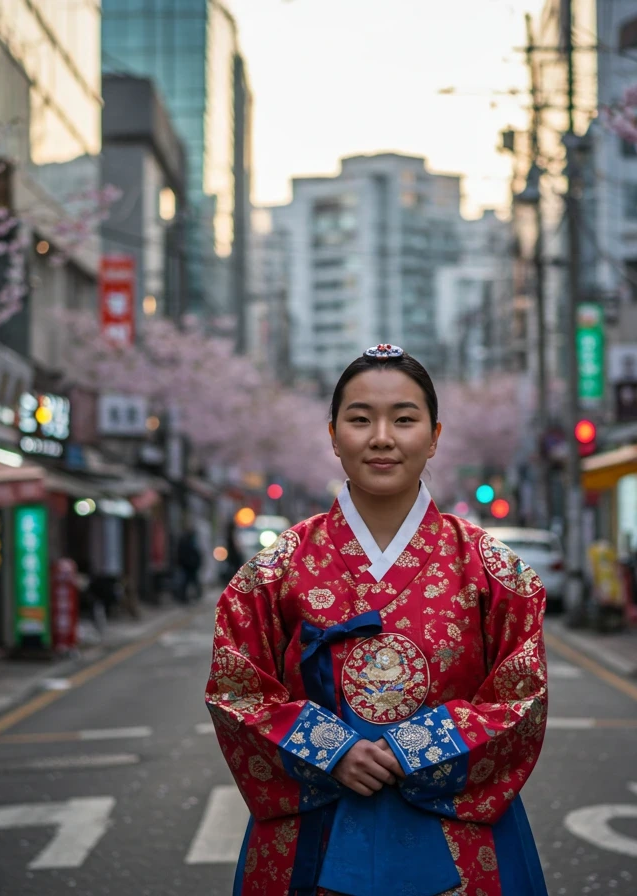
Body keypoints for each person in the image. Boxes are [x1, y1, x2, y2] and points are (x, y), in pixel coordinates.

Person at [205, 344, 550, 896]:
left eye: (405, 419)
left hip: (459, 838)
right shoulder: (273, 571)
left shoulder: (496, 572)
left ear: (435, 435)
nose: (382, 437)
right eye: (360, 419)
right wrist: (329, 749)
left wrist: (419, 747)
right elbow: (236, 690)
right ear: (333, 434)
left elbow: (521, 699)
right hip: (313, 834)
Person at [176, 528, 203, 604]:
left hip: (189, 565)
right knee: (188, 581)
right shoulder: (189, 543)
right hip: (189, 565)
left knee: (188, 581)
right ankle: (187, 596)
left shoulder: (188, 542)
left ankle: (190, 595)